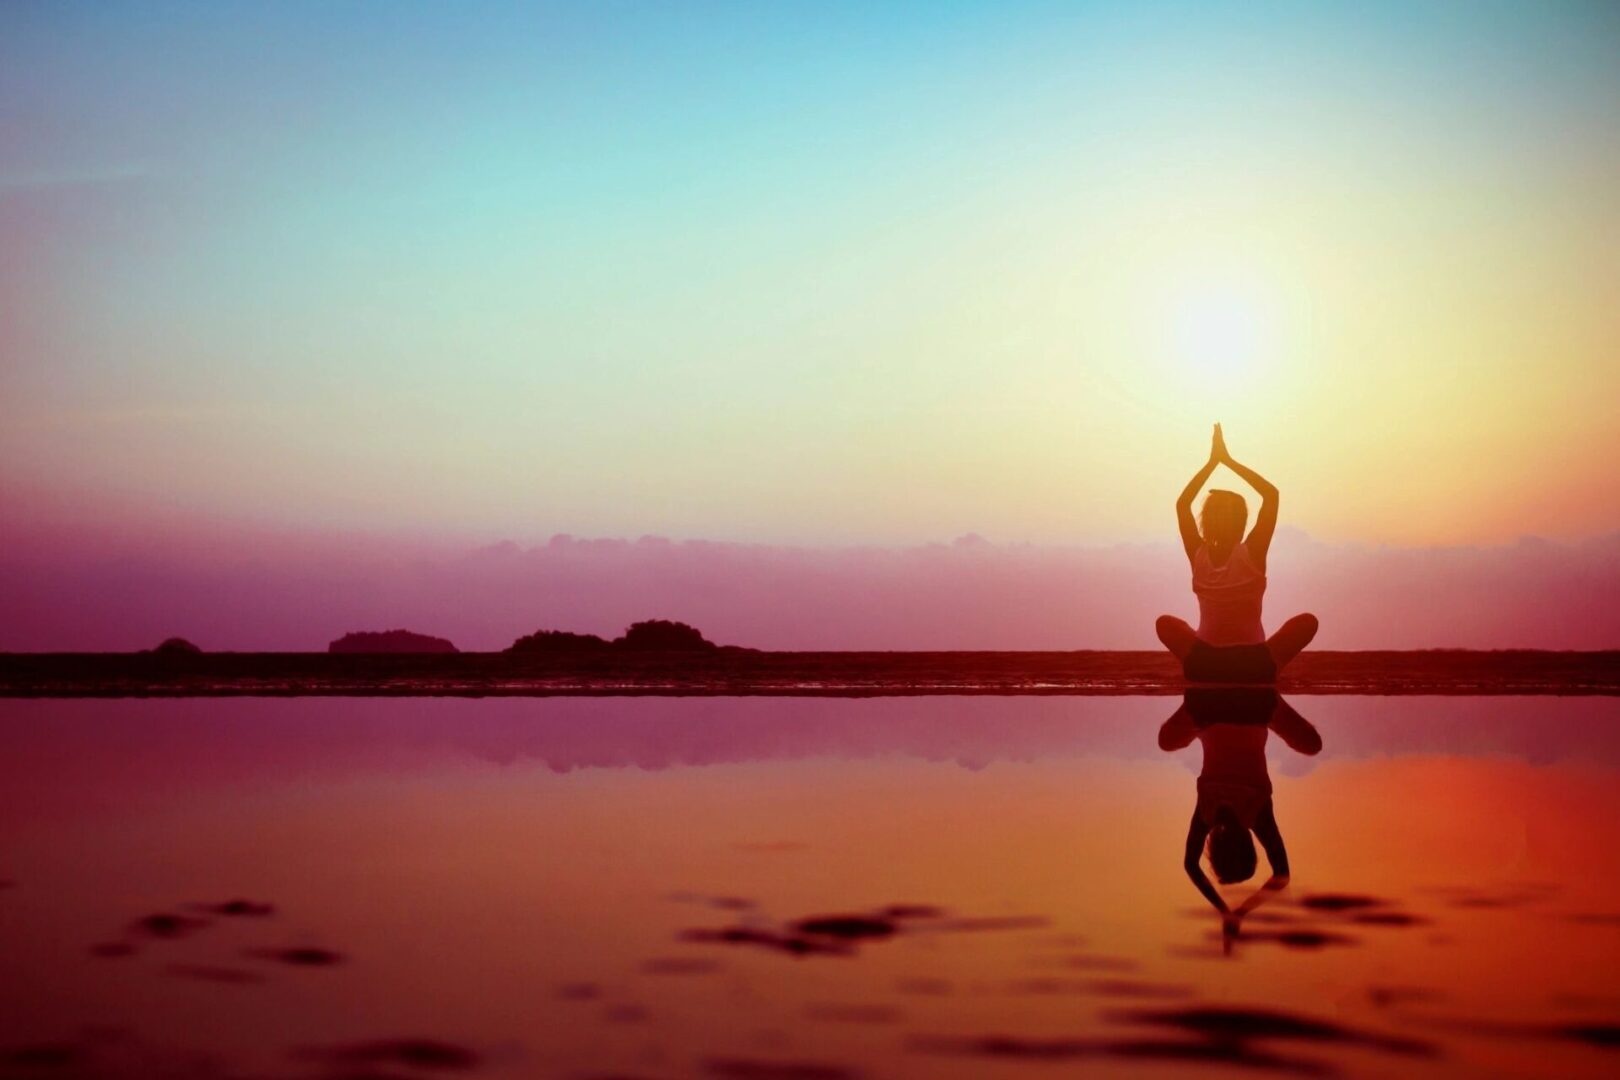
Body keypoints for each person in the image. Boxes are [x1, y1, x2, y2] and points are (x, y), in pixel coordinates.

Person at [1158, 687, 1322, 952]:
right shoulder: (1207, 811)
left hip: (1257, 704)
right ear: (1214, 850)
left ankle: (1271, 698)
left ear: (1249, 845)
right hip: (1206, 705)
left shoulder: (1257, 813)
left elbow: (1282, 875)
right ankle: (1198, 696)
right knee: (1165, 741)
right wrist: (1224, 910)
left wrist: (1242, 911)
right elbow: (1190, 864)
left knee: (1312, 745)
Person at [1155, 424, 1318, 682]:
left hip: (1204, 663)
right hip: (1255, 663)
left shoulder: (1197, 554)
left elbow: (1182, 503)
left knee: (1165, 623)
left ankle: (1209, 670)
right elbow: (1271, 495)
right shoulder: (1252, 552)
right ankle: (1270, 670)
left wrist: (1212, 463)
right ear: (1242, 522)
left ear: (1205, 522)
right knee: (1307, 622)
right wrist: (1228, 461)